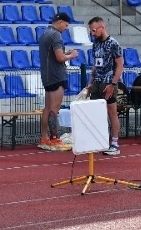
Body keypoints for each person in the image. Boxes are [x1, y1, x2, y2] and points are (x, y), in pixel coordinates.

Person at [38, 12, 79, 151]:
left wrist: (64, 54)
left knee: (47, 108)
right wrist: (71, 55)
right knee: (54, 109)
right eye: (66, 25)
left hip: (47, 75)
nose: (66, 28)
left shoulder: (44, 33)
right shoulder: (56, 35)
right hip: (56, 75)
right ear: (60, 22)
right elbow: (60, 58)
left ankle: (44, 137)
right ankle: (54, 138)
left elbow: (55, 56)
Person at [86, 17, 124, 155]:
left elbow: (120, 66)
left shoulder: (114, 44)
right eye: (91, 31)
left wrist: (113, 84)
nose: (93, 33)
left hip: (108, 82)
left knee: (111, 112)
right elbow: (96, 63)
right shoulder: (95, 43)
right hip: (97, 81)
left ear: (102, 27)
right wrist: (91, 80)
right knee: (96, 112)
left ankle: (114, 143)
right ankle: (99, 140)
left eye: (94, 30)